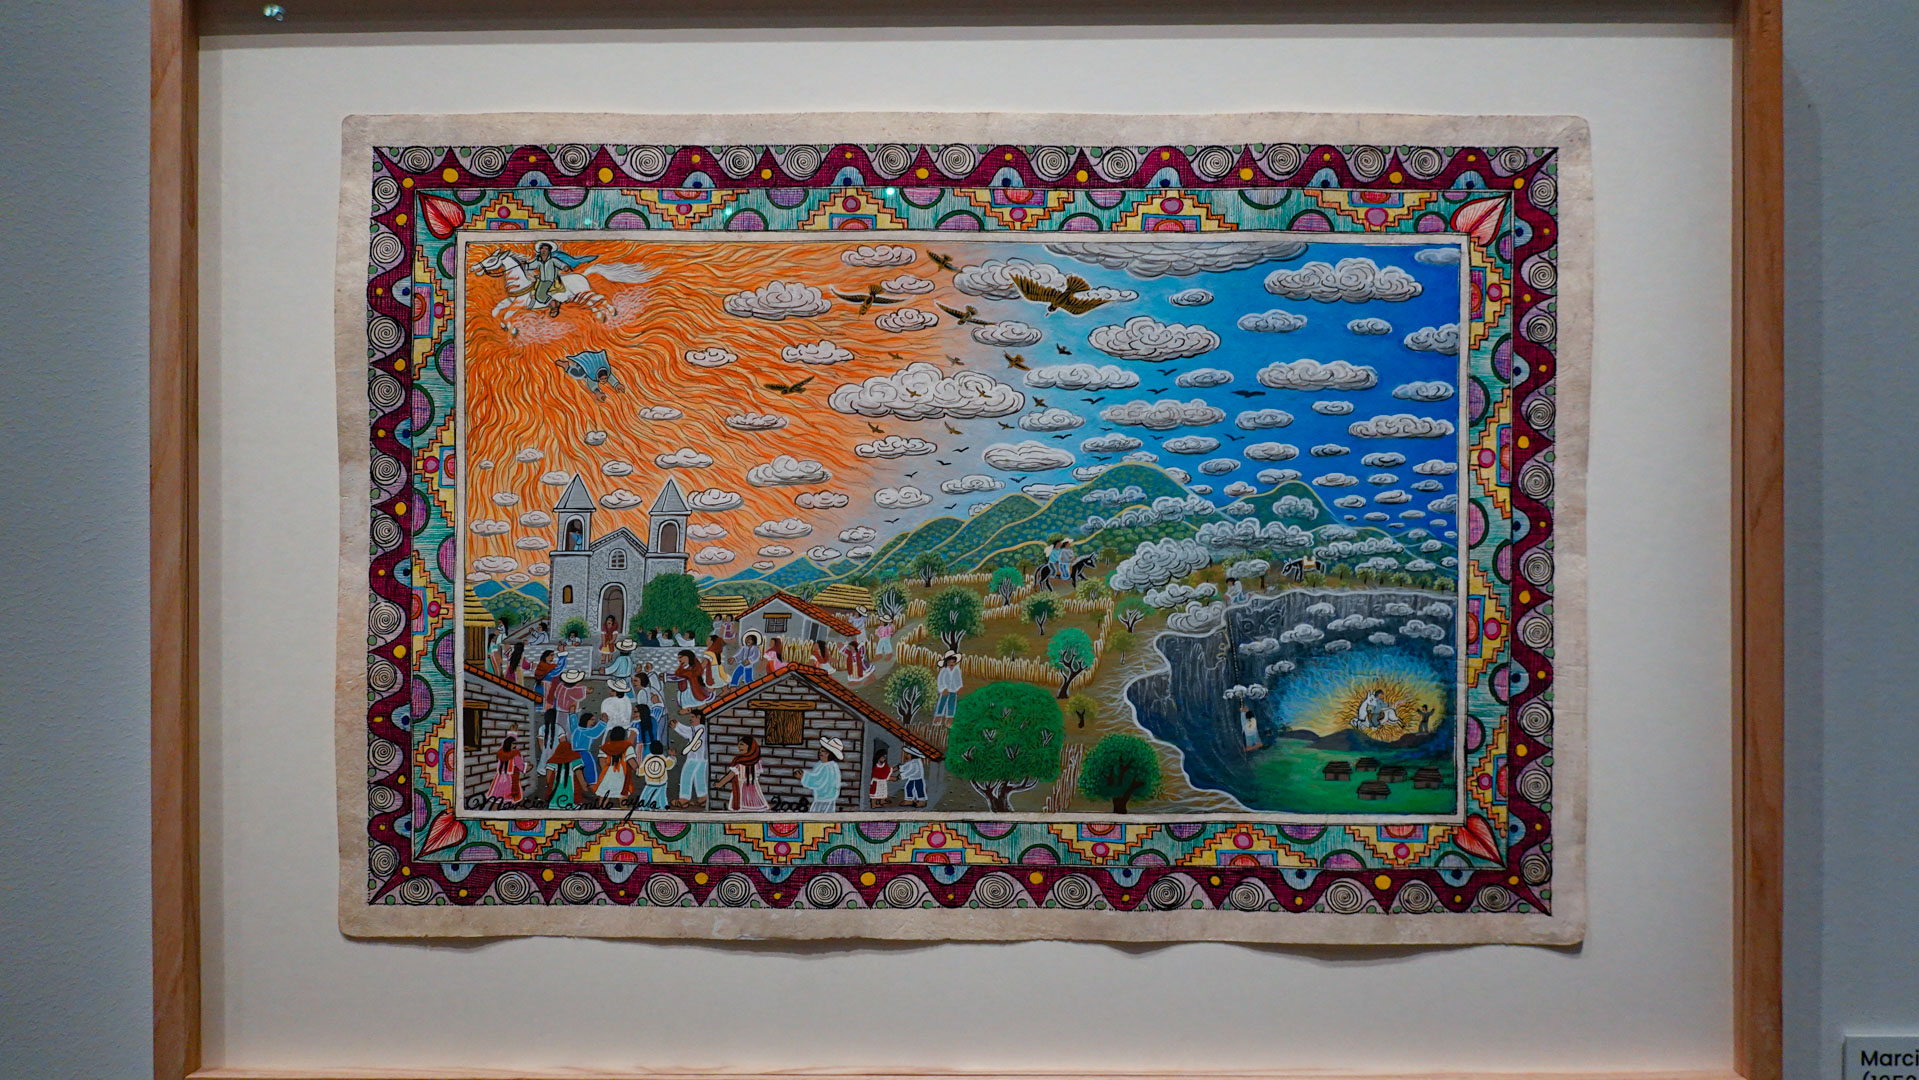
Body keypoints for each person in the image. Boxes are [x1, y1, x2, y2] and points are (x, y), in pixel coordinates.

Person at [716, 736, 769, 812]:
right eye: (738, 745)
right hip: (744, 788)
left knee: (752, 809)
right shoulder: (739, 761)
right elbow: (731, 774)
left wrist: (720, 784)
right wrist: (720, 783)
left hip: (750, 790)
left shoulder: (756, 762)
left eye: (742, 744)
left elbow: (730, 775)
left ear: (750, 746)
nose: (739, 747)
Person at [672, 712, 709, 809]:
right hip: (702, 758)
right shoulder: (703, 729)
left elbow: (688, 731)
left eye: (692, 717)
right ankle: (703, 797)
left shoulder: (698, 728)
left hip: (694, 757)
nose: (690, 719)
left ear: (698, 717)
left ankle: (684, 799)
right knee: (699, 778)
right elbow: (688, 734)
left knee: (686, 776)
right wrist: (676, 727)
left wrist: (678, 725)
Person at [798, 737, 844, 813]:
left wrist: (804, 776)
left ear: (829, 754)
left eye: (823, 751)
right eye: (820, 751)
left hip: (824, 799)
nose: (820, 753)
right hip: (825, 797)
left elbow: (818, 780)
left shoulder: (828, 767)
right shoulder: (826, 765)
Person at [593, 725, 636, 804]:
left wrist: (606, 771)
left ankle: (601, 811)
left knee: (604, 797)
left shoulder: (605, 746)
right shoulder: (628, 746)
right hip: (622, 775)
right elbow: (631, 761)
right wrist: (637, 769)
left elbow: (602, 761)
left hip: (608, 774)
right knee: (623, 798)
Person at [569, 708, 608, 791]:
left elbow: (573, 722)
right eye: (592, 720)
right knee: (591, 768)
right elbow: (596, 732)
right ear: (586, 720)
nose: (594, 722)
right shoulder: (587, 732)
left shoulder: (575, 729)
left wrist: (572, 714)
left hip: (573, 754)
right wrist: (603, 722)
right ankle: (593, 785)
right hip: (584, 753)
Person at [486, 735, 528, 806]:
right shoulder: (515, 755)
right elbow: (521, 767)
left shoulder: (501, 753)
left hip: (499, 779)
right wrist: (528, 766)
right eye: (513, 744)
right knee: (510, 799)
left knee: (498, 798)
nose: (515, 745)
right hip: (511, 779)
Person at [541, 737, 581, 810]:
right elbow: (579, 775)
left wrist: (550, 785)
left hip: (556, 786)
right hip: (570, 786)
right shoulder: (574, 760)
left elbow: (548, 778)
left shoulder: (552, 760)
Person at [667, 648, 712, 714]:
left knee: (694, 697)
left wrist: (667, 677)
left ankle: (700, 706)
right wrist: (667, 676)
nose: (679, 660)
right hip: (685, 687)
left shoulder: (694, 668)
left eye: (681, 657)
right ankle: (687, 708)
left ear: (688, 657)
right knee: (686, 698)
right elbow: (677, 676)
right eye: (678, 658)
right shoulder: (682, 668)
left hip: (693, 687)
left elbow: (682, 676)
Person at [637, 740, 674, 809]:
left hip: (650, 782)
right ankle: (662, 808)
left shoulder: (648, 757)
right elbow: (669, 765)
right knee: (662, 797)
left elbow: (641, 771)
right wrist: (672, 757)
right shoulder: (662, 757)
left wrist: (638, 771)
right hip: (661, 782)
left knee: (646, 796)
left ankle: (644, 807)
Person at [600, 678, 635, 748]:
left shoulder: (607, 701)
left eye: (613, 691)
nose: (610, 692)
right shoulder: (627, 700)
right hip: (623, 728)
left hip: (613, 728)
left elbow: (604, 716)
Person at [633, 668, 663, 747]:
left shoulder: (642, 693)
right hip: (658, 715)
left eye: (636, 681)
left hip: (650, 718)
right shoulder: (651, 689)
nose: (634, 683)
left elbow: (642, 709)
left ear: (642, 681)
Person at [554, 667, 589, 732]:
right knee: (571, 729)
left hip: (559, 710)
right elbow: (581, 695)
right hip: (571, 712)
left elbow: (556, 695)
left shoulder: (560, 686)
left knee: (560, 729)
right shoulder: (574, 690)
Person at [935, 651, 963, 720]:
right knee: (942, 703)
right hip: (945, 690)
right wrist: (943, 689)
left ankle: (950, 718)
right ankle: (938, 717)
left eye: (953, 662)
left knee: (952, 704)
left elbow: (958, 679)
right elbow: (940, 680)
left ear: (955, 662)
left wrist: (959, 687)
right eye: (949, 662)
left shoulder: (957, 670)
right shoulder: (944, 670)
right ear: (946, 662)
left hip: (953, 690)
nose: (951, 663)